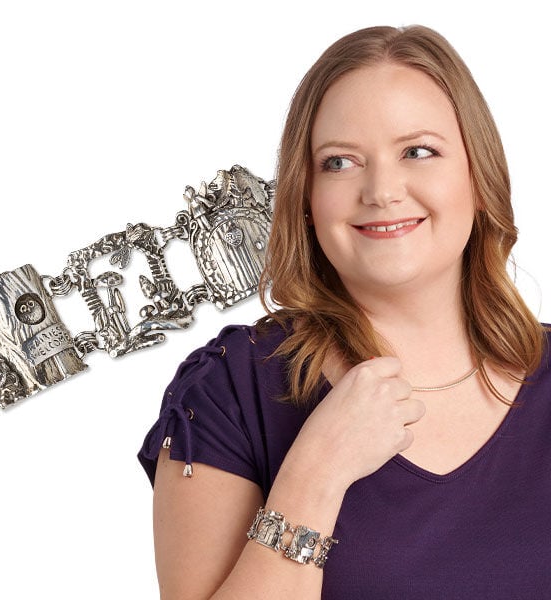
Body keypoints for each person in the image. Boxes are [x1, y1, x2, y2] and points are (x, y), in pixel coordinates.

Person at [138, 25, 550, 599]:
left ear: (479, 177)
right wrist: (316, 471)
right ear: (306, 199)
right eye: (340, 162)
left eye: (419, 151)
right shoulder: (229, 391)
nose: (382, 190)